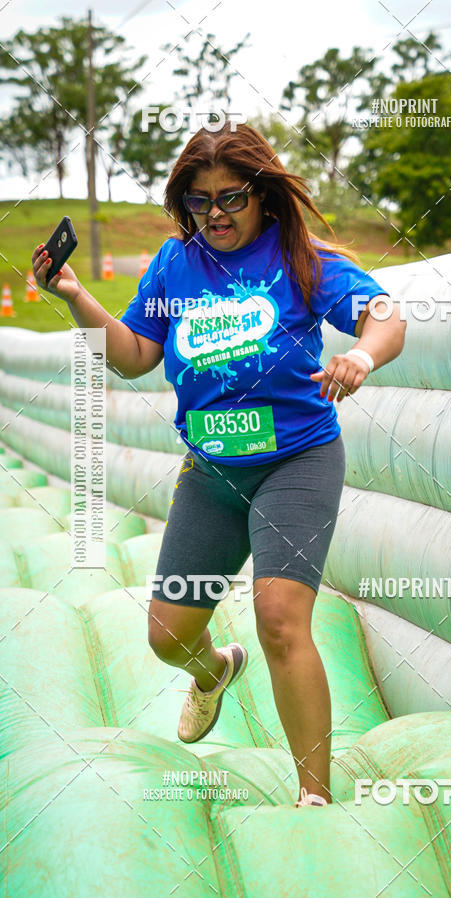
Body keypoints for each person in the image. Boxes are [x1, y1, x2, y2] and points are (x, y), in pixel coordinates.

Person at [31, 122, 407, 808]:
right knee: (168, 637)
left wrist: (362, 354)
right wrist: (75, 297)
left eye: (231, 198)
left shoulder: (301, 258)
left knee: (280, 618)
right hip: (212, 471)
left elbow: (385, 315)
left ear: (263, 194)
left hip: (297, 460)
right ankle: (213, 673)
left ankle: (315, 799)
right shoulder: (176, 265)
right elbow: (136, 355)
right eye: (200, 201)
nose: (216, 214)